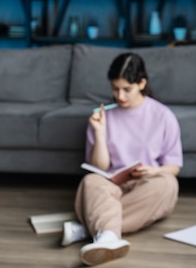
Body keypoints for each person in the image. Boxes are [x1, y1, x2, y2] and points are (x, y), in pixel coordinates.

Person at [61, 52, 183, 266]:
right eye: (115, 89)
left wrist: (155, 171)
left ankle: (96, 230)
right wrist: (99, 132)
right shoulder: (104, 115)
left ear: (142, 83)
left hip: (147, 183)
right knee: (91, 181)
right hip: (112, 182)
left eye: (127, 89)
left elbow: (174, 166)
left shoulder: (163, 116)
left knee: (168, 184)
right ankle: (107, 234)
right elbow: (100, 166)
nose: (120, 96)